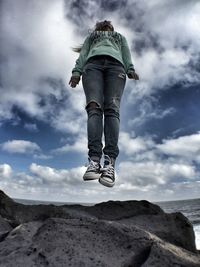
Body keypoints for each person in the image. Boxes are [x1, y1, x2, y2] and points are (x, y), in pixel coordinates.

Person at [69, 20, 139, 188]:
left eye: (109, 23)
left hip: (117, 68)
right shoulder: (93, 36)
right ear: (99, 26)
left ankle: (109, 164)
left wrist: (130, 68)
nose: (107, 23)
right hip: (92, 66)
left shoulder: (119, 37)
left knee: (112, 111)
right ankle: (94, 161)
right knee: (94, 108)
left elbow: (126, 53)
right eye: (104, 23)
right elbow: (83, 54)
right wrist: (76, 72)